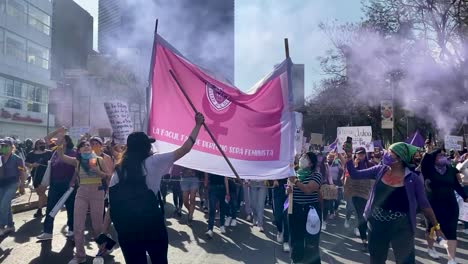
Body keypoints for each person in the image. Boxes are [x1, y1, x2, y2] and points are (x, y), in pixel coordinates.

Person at [109, 112, 204, 264]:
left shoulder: (118, 171)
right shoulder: (154, 162)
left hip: (127, 230)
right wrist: (198, 125)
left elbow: (112, 203)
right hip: (151, 225)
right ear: (146, 147)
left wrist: (104, 229)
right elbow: (185, 148)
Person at [342, 142, 444, 263]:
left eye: (390, 152)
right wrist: (349, 157)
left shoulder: (413, 178)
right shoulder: (380, 170)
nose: (386, 154)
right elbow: (355, 174)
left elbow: (424, 205)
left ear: (400, 158)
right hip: (376, 224)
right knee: (376, 260)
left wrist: (436, 226)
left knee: (406, 261)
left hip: (402, 227)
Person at [56, 139, 109, 264]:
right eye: (83, 146)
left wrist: (98, 172)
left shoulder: (99, 160)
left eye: (88, 145)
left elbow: (108, 175)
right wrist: (60, 144)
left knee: (97, 225)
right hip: (82, 192)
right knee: (77, 225)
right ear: (78, 150)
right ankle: (80, 256)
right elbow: (62, 156)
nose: (86, 147)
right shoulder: (77, 161)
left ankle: (103, 250)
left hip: (97, 191)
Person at [421, 149, 468, 264]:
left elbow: (456, 185)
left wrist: (465, 197)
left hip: (450, 205)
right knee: (432, 228)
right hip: (432, 205)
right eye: (440, 155)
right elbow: (424, 163)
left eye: (444, 155)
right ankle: (431, 248)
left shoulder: (451, 170)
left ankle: (451, 259)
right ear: (434, 158)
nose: (443, 157)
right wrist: (428, 151)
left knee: (451, 230)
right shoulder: (429, 169)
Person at [37, 132, 77, 241]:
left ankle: (72, 229)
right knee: (50, 207)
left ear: (66, 141)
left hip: (68, 184)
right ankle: (47, 232)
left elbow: (76, 168)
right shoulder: (55, 152)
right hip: (55, 184)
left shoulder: (73, 153)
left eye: (60, 139)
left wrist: (73, 181)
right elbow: (46, 138)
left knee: (70, 207)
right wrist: (59, 130)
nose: (57, 140)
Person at [287, 151, 322, 264]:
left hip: (310, 212)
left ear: (311, 163)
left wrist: (295, 181)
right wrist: (288, 190)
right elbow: (289, 190)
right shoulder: (295, 173)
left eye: (305, 157)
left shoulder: (316, 175)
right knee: (296, 238)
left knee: (311, 240)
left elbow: (308, 189)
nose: (302, 158)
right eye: (302, 156)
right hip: (296, 210)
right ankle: (296, 259)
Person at [346, 147, 374, 250]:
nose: (361, 155)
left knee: (369, 217)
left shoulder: (370, 164)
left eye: (362, 154)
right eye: (359, 154)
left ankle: (370, 238)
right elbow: (348, 176)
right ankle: (364, 241)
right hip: (356, 195)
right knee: (361, 217)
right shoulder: (352, 165)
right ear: (355, 155)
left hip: (369, 195)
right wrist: (355, 166)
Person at [0, 138, 26, 236]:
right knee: (5, 205)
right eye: (2, 145)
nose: (3, 147)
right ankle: (10, 225)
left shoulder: (17, 159)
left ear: (12, 147)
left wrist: (22, 185)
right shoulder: (0, 158)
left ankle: (1, 227)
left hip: (13, 183)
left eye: (6, 146)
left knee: (3, 205)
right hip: (1, 184)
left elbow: (22, 172)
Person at [25, 139, 53, 218]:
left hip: (46, 175)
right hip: (35, 175)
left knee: (41, 192)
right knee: (39, 192)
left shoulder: (49, 153)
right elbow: (26, 163)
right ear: (36, 145)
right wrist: (32, 165)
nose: (42, 145)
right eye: (40, 143)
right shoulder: (31, 154)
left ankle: (39, 210)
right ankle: (49, 202)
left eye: (44, 143)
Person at [205, 173, 229, 237]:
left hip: (221, 187)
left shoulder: (224, 165)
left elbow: (225, 178)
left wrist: (227, 192)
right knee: (212, 209)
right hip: (212, 187)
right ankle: (210, 229)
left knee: (222, 208)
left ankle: (221, 225)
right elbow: (206, 173)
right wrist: (206, 182)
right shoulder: (211, 164)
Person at [272, 177, 290, 252]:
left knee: (287, 218)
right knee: (277, 217)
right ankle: (280, 231)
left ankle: (286, 241)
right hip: (278, 190)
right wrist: (274, 179)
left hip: (289, 192)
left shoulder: (293, 165)